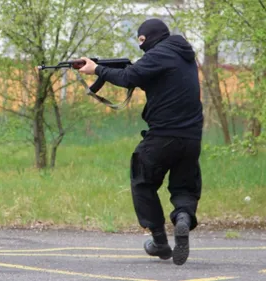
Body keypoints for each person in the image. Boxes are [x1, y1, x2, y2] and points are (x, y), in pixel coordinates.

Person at [79, 18, 203, 266]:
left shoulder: (160, 54)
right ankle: (183, 220)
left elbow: (130, 76)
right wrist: (105, 67)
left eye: (142, 41)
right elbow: (143, 75)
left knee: (142, 180)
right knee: (184, 187)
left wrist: (97, 70)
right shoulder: (181, 54)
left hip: (164, 136)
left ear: (150, 37)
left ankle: (159, 240)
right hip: (192, 138)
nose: (141, 47)